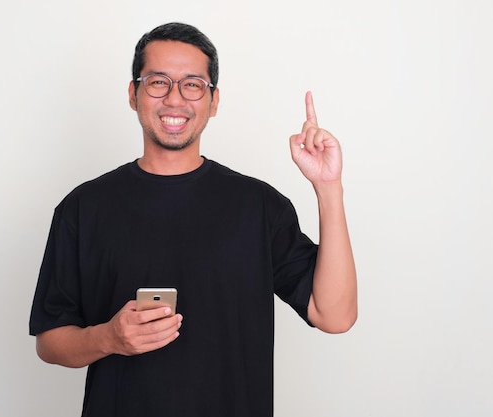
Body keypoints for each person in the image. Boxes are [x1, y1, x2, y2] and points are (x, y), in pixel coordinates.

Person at [29, 22, 357, 417]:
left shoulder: (259, 206)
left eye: (192, 85)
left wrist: (328, 188)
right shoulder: (83, 207)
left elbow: (334, 315)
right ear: (133, 94)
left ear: (213, 100)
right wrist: (109, 338)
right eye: (158, 82)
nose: (175, 99)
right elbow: (50, 341)